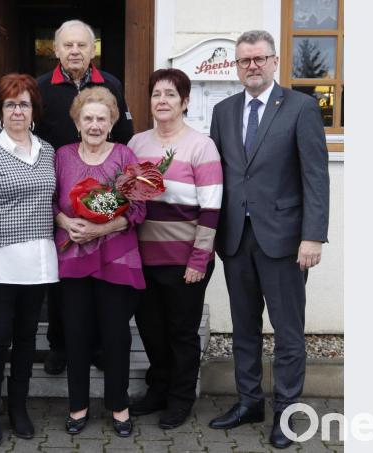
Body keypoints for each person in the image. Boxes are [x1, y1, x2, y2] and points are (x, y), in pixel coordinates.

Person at [207, 30, 329, 449]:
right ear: (237, 67)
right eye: (244, 61)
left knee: (288, 332)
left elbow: (315, 177)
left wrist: (312, 236)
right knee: (244, 328)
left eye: (259, 58)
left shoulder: (301, 107)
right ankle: (249, 402)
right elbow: (219, 178)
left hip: (285, 241)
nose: (252, 66)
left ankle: (287, 413)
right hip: (237, 239)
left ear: (274, 61)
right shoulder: (223, 112)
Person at [35, 19, 134, 375]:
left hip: (104, 190)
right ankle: (60, 346)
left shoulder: (111, 84)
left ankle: (96, 347)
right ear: (57, 50)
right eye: (68, 45)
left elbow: (123, 136)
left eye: (82, 45)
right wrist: (59, 212)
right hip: (60, 187)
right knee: (64, 283)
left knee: (103, 278)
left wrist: (119, 193)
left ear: (92, 50)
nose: (75, 51)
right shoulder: (42, 87)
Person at [0, 73, 58, 446]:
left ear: (34, 109)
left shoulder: (47, 150)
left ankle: (18, 408)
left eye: (24, 103)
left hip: (38, 263)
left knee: (24, 340)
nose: (18, 110)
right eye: (10, 104)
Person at [128, 68, 223, 429]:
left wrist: (199, 259)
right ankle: (159, 389)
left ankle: (181, 399)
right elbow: (130, 201)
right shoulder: (137, 145)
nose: (162, 101)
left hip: (185, 260)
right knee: (151, 330)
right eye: (156, 94)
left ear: (185, 102)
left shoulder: (201, 146)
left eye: (170, 94)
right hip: (144, 259)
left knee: (182, 333)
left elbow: (212, 209)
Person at [53, 87, 146, 437]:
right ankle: (78, 406)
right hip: (72, 256)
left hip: (116, 256)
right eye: (88, 118)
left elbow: (139, 208)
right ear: (77, 122)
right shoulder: (61, 156)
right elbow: (48, 200)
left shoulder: (124, 155)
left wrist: (102, 227)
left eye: (101, 118)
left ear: (112, 123)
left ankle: (118, 406)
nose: (94, 124)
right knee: (76, 334)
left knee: (116, 335)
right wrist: (64, 222)